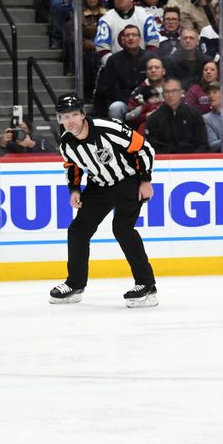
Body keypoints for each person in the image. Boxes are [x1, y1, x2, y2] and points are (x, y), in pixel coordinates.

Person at [50, 93, 158, 307]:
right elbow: (72, 166)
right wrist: (74, 189)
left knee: (122, 229)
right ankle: (75, 284)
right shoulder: (66, 144)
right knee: (78, 230)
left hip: (128, 180)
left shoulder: (108, 128)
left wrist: (145, 180)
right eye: (65, 116)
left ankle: (147, 285)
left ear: (82, 114)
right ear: (59, 120)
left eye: (74, 115)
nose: (70, 120)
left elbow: (143, 148)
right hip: (100, 185)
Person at [94, 0, 160, 65]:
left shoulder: (145, 15)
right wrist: (113, 65)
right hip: (116, 66)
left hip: (142, 64)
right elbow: (102, 46)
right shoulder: (106, 19)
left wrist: (145, 62)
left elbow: (153, 42)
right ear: (114, 0)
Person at [144, 78, 209, 153]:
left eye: (174, 91)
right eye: (166, 92)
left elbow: (202, 143)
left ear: (181, 93)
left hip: (191, 160)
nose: (170, 95)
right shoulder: (154, 118)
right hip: (164, 161)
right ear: (162, 95)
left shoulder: (194, 114)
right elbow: (152, 146)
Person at [105, 25, 152, 120]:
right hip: (123, 103)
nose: (131, 38)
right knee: (115, 107)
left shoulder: (150, 58)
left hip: (146, 102)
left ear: (140, 39)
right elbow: (112, 89)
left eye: (134, 35)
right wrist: (130, 104)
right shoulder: (113, 60)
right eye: (127, 35)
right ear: (122, 40)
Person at [125, 56, 165, 131]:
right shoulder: (139, 91)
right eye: (150, 68)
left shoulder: (172, 88)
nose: (153, 70)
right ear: (146, 73)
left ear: (163, 71)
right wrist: (146, 116)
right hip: (146, 130)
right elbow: (129, 119)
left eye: (156, 67)